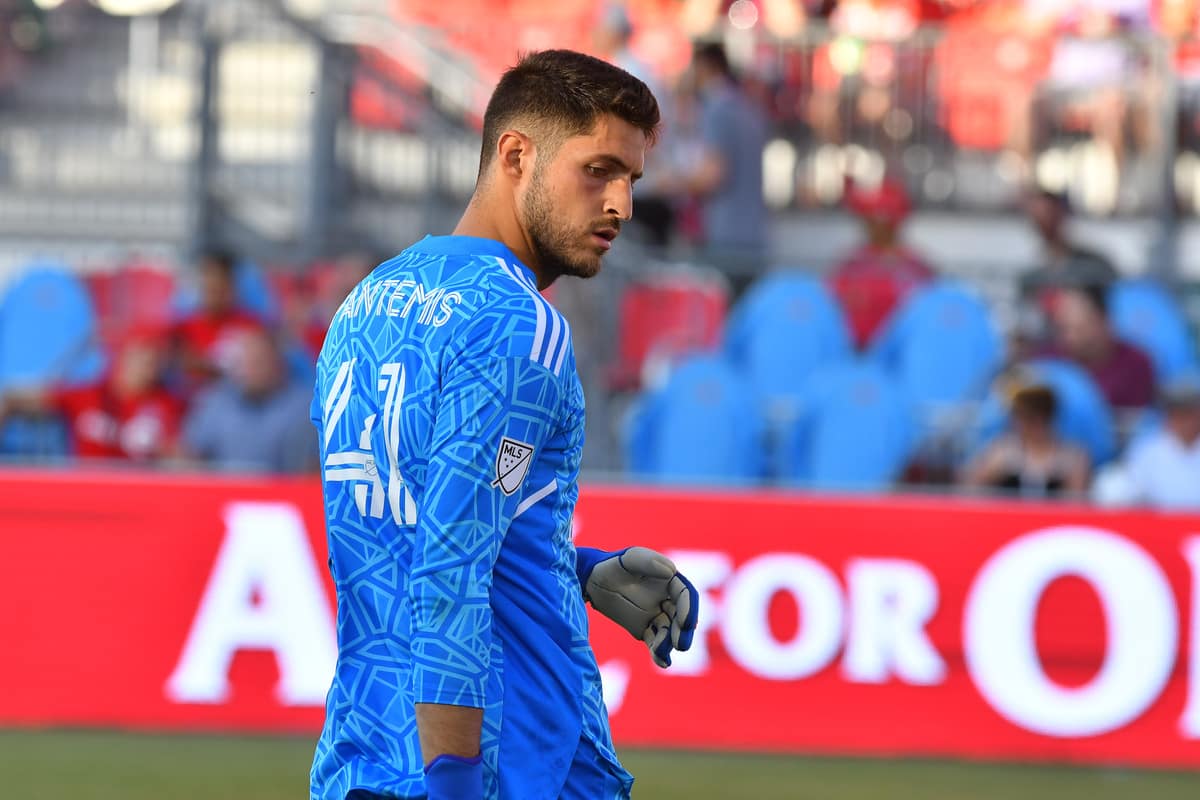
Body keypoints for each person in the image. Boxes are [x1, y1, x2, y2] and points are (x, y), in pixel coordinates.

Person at [309, 50, 699, 800]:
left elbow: (420, 521)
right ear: (515, 154)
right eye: (599, 170)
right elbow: (450, 568)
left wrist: (570, 568)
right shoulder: (523, 327)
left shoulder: (364, 304)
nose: (620, 202)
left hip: (365, 754)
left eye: (632, 180)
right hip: (503, 767)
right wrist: (456, 783)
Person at [672, 41, 768, 295]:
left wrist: (670, 182)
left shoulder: (718, 109)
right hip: (752, 235)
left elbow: (713, 175)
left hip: (724, 236)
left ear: (704, 66)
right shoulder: (747, 105)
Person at [0, 331, 182, 462]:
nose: (147, 370)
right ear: (120, 359)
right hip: (87, 487)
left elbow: (180, 456)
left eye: (152, 363)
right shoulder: (88, 395)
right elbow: (21, 399)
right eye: (139, 360)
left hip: (139, 491)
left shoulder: (165, 403)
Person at [181, 327, 316, 473]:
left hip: (284, 492)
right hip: (222, 491)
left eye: (258, 362)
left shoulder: (305, 407)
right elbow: (192, 454)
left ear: (278, 364)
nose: (249, 370)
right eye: (243, 363)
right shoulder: (215, 401)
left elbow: (310, 469)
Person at [827, 176, 935, 350]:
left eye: (869, 217)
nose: (865, 224)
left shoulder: (915, 269)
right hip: (850, 355)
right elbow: (828, 305)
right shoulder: (853, 263)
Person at [960, 381, 1090, 498]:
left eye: (1031, 418)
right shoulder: (1001, 450)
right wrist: (993, 472)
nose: (1024, 424)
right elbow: (968, 490)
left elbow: (1077, 503)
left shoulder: (1072, 457)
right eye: (1019, 417)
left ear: (1046, 418)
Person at [1036, 284, 1155, 411]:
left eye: (1078, 329)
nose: (1069, 338)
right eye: (1063, 329)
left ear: (1102, 323)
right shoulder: (1046, 363)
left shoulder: (1135, 364)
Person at [1093, 372, 1200, 510]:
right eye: (1176, 413)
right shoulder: (1146, 451)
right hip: (1160, 526)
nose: (1183, 421)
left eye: (1189, 413)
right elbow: (1126, 491)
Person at [170, 249, 264, 394]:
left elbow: (258, 372)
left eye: (220, 287)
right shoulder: (182, 328)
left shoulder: (250, 325)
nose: (213, 295)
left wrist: (208, 369)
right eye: (209, 288)